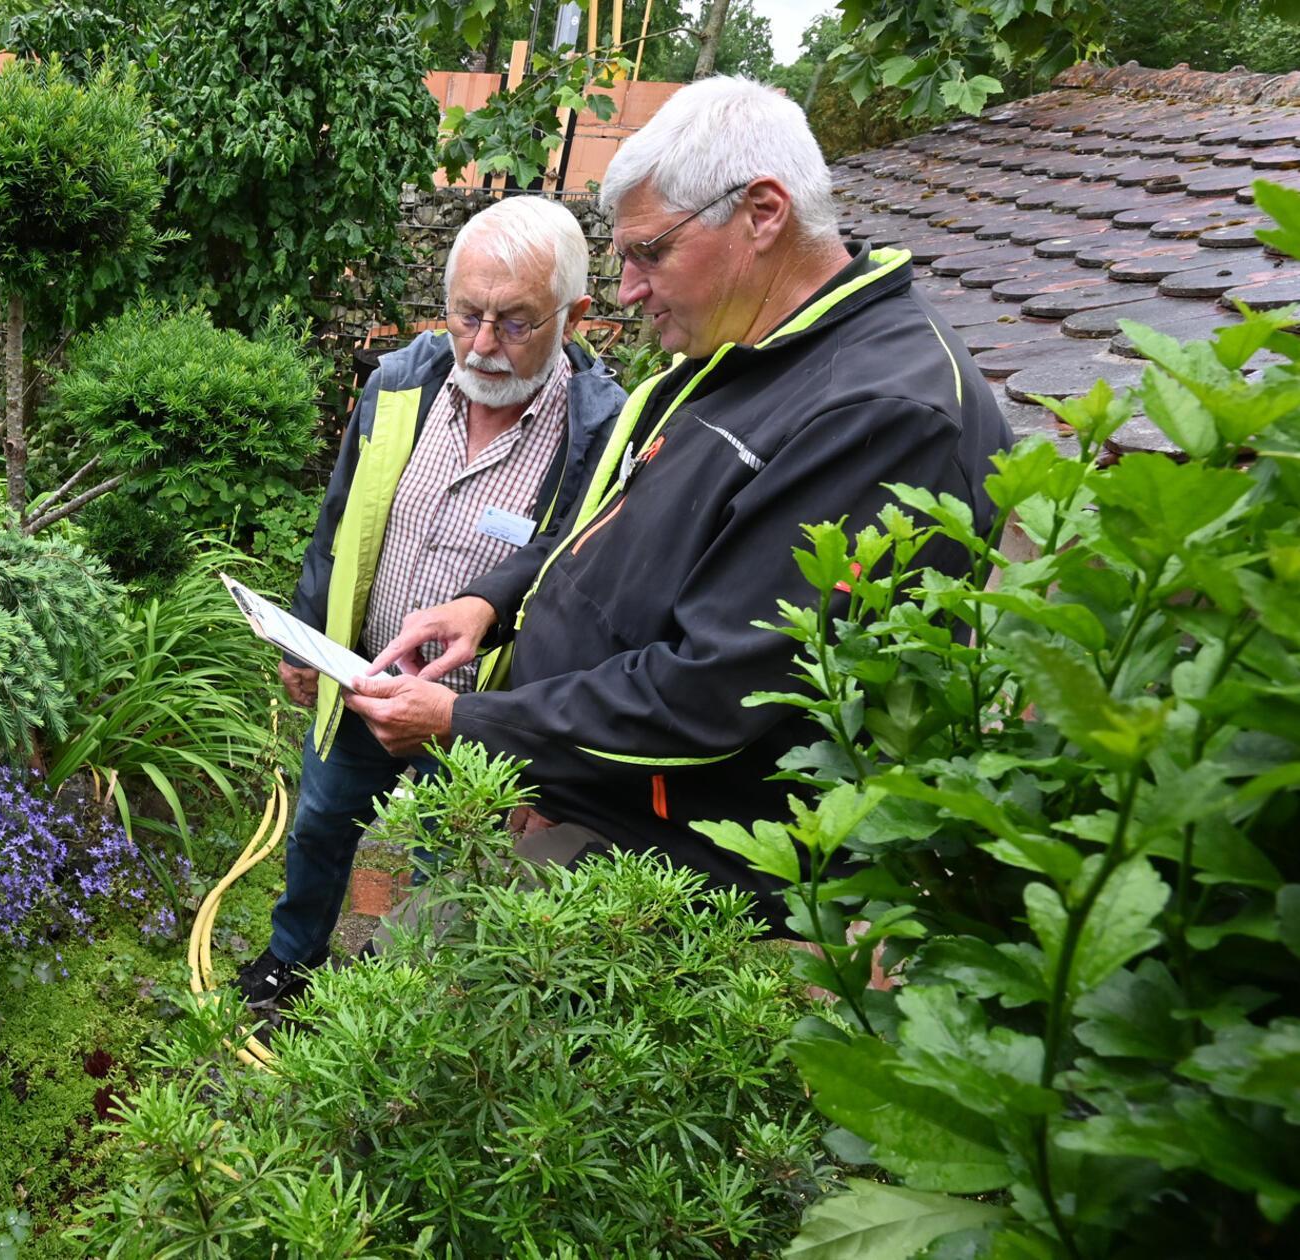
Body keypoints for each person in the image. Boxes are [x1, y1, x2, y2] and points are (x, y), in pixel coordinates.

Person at [345, 76, 1012, 905]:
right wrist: (491, 605)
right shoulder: (745, 351)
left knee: (418, 965)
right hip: (589, 798)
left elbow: (708, 694)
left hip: (670, 869)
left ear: (762, 213)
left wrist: (470, 723)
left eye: (650, 252)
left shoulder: (878, 413)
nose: (629, 290)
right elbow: (607, 534)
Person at [235, 196, 629, 1011]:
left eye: (515, 323)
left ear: (577, 314)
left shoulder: (600, 437)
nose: (481, 345)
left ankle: (390, 1009)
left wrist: (548, 765)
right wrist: (304, 639)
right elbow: (338, 522)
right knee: (319, 825)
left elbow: (589, 590)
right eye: (466, 314)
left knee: (445, 876)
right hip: (364, 678)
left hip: (480, 717)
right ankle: (292, 959)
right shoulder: (399, 386)